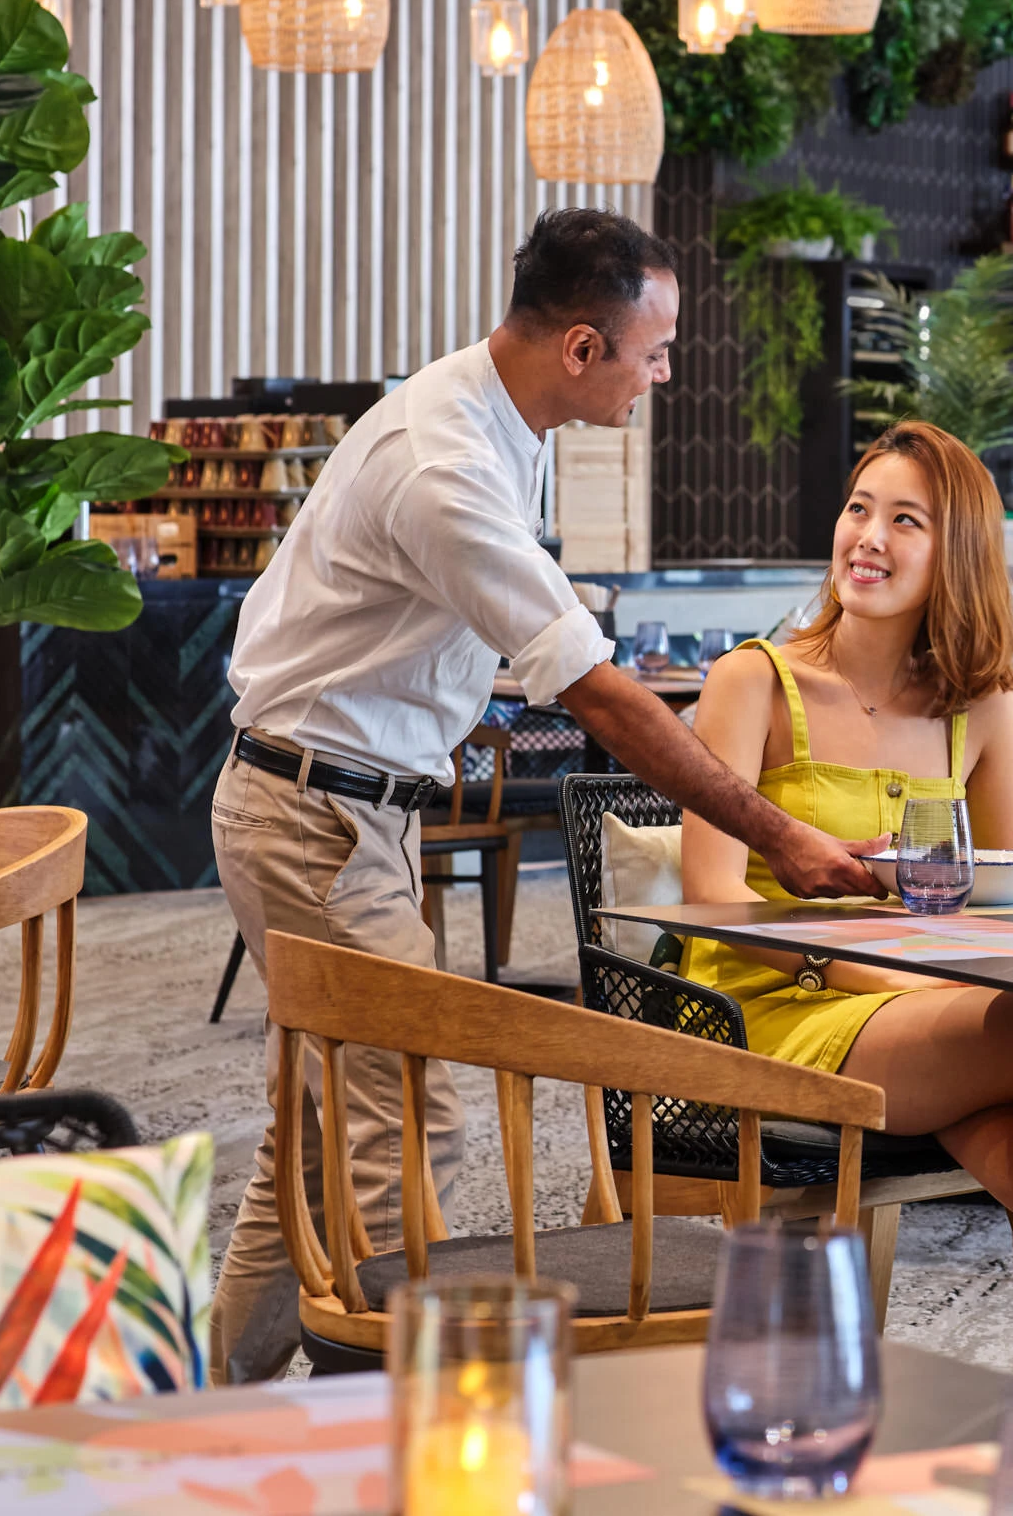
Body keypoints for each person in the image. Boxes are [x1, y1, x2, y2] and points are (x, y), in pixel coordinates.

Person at [210, 208, 887, 1381]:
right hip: (315, 816)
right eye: (656, 348)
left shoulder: (494, 417)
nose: (664, 372)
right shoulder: (450, 465)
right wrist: (782, 835)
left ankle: (212, 1405)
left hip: (336, 805)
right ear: (584, 348)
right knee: (405, 1121)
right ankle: (384, 1419)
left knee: (314, 1138)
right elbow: (604, 701)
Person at [681, 422, 1013, 1379]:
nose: (866, 536)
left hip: (921, 1015)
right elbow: (711, 897)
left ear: (953, 552)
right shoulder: (753, 681)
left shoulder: (979, 707)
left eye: (903, 519)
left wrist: (929, 978)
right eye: (858, 508)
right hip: (768, 1016)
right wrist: (877, 970)